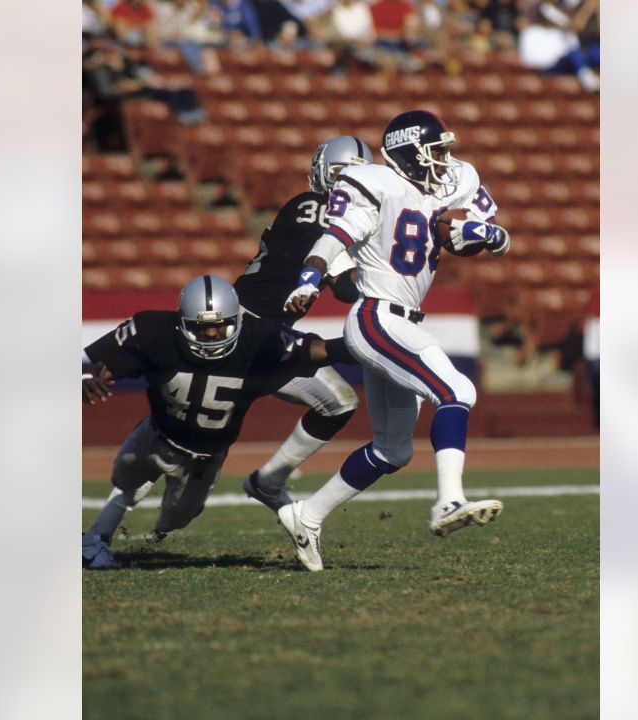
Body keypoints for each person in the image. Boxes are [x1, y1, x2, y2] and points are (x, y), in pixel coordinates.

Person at [280, 110, 512, 571]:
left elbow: (472, 236)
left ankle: (306, 515)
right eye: (437, 151)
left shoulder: (450, 184)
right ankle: (449, 501)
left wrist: (485, 235)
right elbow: (336, 235)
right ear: (410, 153)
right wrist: (310, 278)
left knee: (393, 449)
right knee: (457, 390)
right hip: (377, 316)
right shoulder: (375, 184)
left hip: (399, 321)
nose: (446, 160)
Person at [81, 274, 354, 569]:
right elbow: (92, 361)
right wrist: (83, 377)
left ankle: (153, 527)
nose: (212, 335)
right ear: (182, 322)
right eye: (202, 327)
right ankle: (96, 540)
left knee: (174, 520)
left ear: (238, 320)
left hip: (203, 461)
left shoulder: (258, 341)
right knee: (125, 481)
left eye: (220, 325)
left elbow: (320, 350)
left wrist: (369, 345)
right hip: (155, 434)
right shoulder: (153, 332)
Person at [234, 136, 374, 515]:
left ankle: (269, 481)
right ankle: (100, 531)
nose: (348, 186)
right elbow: (345, 288)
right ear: (322, 174)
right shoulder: (312, 207)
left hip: (273, 340)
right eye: (341, 176)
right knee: (183, 454)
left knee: (339, 403)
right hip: (238, 333)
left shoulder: (348, 223)